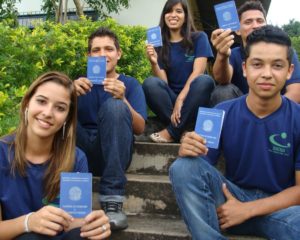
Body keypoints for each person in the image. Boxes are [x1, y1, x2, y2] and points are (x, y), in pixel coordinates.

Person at [169, 25, 300, 239]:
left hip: (281, 209)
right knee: (183, 167)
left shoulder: (297, 117)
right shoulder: (219, 112)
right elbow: (197, 167)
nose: (266, 74)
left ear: (289, 71)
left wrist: (248, 210)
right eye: (257, 64)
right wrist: (188, 147)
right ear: (245, 68)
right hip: (229, 203)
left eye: (277, 65)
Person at [0, 71, 111, 240]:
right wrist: (28, 222)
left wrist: (95, 225)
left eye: (60, 108)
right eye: (41, 101)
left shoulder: (76, 158)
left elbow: (74, 223)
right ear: (27, 103)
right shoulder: (2, 153)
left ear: (67, 118)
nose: (48, 113)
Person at [74, 27, 147, 230]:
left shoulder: (130, 84)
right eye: (96, 50)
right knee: (60, 104)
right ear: (89, 55)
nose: (103, 54)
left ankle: (113, 201)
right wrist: (67, 97)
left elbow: (140, 128)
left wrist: (123, 99)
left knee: (115, 106)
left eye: (109, 49)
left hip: (114, 152)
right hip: (82, 152)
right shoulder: (79, 83)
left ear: (119, 53)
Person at [142, 0, 215, 143]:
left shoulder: (199, 37)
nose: (173, 15)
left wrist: (181, 99)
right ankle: (184, 130)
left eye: (179, 11)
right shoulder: (159, 44)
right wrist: (154, 62)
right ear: (164, 16)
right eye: (169, 11)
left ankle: (172, 132)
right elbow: (163, 84)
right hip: (171, 103)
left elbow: (198, 72)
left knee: (204, 81)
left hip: (195, 99)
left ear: (186, 16)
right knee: (150, 83)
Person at [210, 0, 300, 106]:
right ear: (238, 30)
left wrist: (269, 112)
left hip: (278, 109)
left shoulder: (285, 52)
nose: (255, 25)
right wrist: (222, 55)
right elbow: (222, 79)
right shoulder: (233, 54)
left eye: (260, 21)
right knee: (222, 90)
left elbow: (296, 92)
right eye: (248, 22)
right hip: (242, 109)